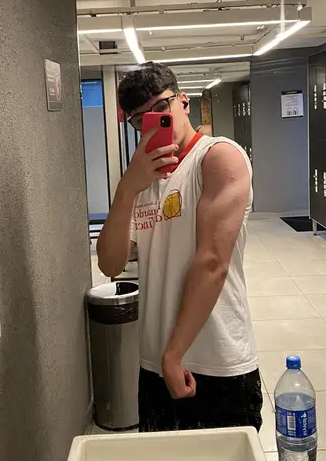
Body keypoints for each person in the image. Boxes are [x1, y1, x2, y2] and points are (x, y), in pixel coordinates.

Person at [97, 62, 261, 433]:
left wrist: (175, 355)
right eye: (140, 120)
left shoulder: (217, 158)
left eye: (161, 107)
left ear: (183, 101)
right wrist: (127, 188)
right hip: (155, 363)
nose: (154, 123)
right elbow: (110, 263)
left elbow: (212, 262)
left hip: (216, 360)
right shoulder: (141, 179)